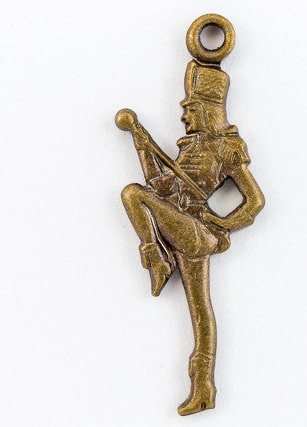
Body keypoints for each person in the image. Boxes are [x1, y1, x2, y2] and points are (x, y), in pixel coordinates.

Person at [120, 58, 264, 415]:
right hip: (182, 226)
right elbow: (160, 187)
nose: (184, 116)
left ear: (207, 110)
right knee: (200, 310)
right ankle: (204, 389)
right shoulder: (189, 148)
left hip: (198, 232)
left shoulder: (226, 149)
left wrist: (223, 222)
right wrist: (140, 141)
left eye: (190, 109)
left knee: (132, 194)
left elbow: (255, 200)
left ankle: (156, 257)